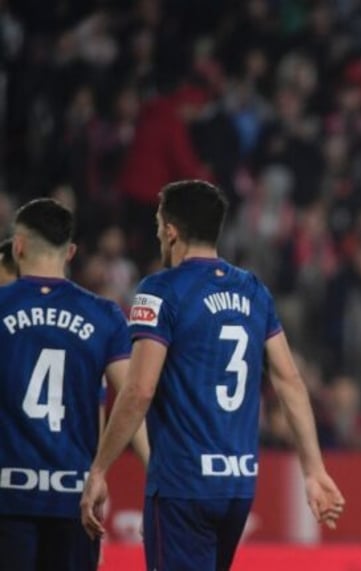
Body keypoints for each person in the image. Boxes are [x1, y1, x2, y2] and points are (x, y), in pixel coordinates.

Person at [80, 180, 345, 569]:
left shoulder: (160, 290)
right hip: (237, 486)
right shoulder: (254, 291)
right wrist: (314, 469)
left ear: (170, 230)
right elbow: (289, 380)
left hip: (182, 483)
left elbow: (139, 389)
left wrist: (100, 468)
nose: (156, 232)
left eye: (158, 223)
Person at [0, 198, 142, 570]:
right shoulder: (105, 315)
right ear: (71, 252)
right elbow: (132, 398)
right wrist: (155, 472)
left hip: (7, 496)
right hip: (75, 496)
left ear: (18, 246)